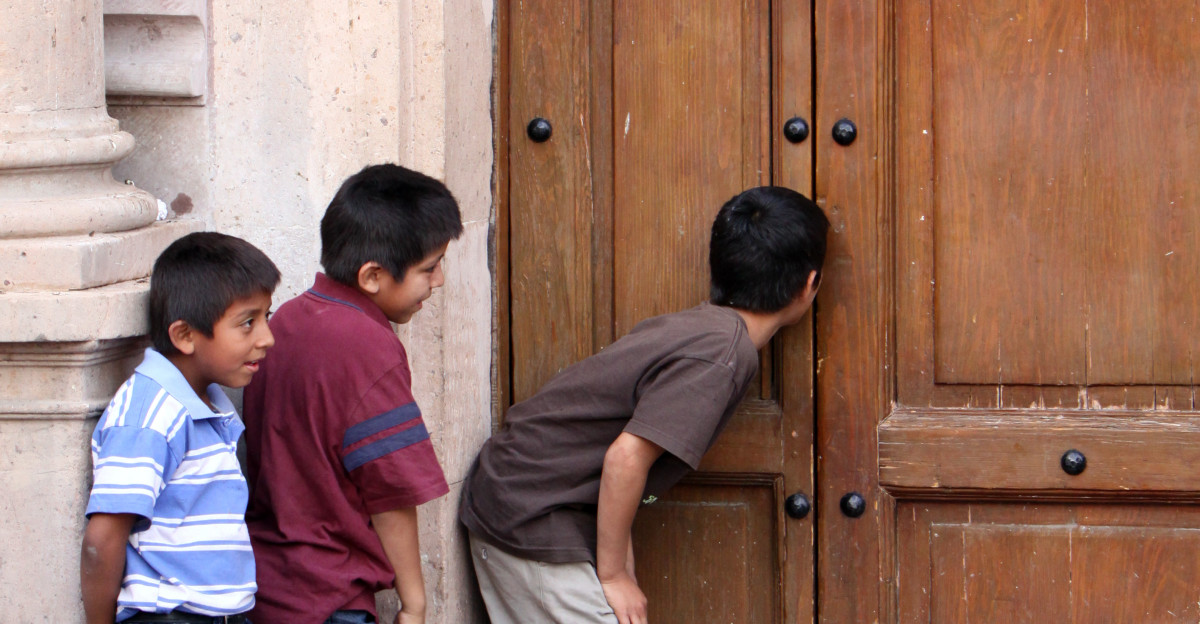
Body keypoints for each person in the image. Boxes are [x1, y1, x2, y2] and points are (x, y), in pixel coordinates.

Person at [459, 186, 829, 624]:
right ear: (809, 284)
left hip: (519, 499)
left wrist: (620, 569)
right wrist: (614, 577)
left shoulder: (702, 330)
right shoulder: (720, 354)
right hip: (532, 516)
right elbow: (625, 457)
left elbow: (619, 454)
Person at [243, 164, 463, 624]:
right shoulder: (368, 346)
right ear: (372, 276)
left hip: (269, 585)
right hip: (330, 595)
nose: (438, 280)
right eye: (429, 267)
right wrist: (415, 604)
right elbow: (390, 492)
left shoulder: (285, 320)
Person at [80, 232, 280, 624]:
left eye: (266, 317)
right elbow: (101, 543)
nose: (267, 338)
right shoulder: (151, 415)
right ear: (185, 336)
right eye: (247, 323)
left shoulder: (203, 406)